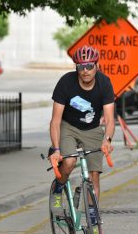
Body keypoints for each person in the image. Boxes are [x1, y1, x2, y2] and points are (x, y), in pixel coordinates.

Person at [49, 45, 115, 224]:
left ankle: (93, 216)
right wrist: (56, 149)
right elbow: (55, 120)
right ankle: (58, 188)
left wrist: (107, 139)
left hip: (92, 129)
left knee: (94, 174)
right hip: (68, 126)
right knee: (69, 162)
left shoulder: (104, 83)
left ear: (97, 66)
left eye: (89, 66)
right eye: (80, 67)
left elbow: (109, 119)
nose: (85, 71)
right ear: (76, 68)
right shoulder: (66, 83)